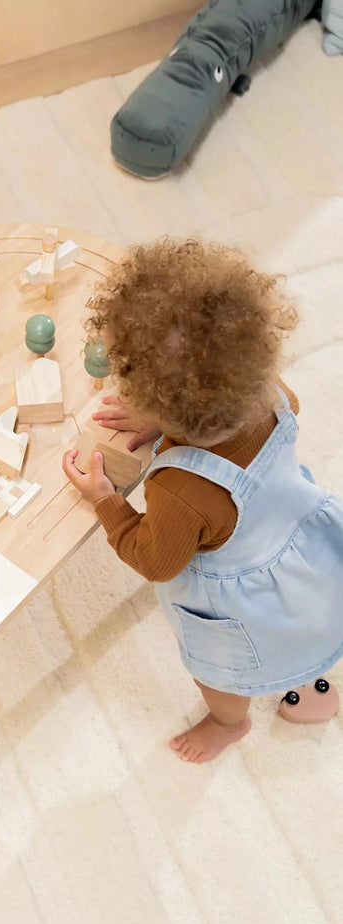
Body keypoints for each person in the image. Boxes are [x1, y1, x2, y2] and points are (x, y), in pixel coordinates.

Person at [62, 238, 343, 763]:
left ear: (161, 403)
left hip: (243, 604)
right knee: (314, 617)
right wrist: (167, 420)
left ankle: (227, 723)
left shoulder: (180, 489)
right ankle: (309, 666)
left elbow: (155, 560)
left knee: (222, 674)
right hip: (306, 552)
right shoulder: (272, 393)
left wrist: (106, 500)